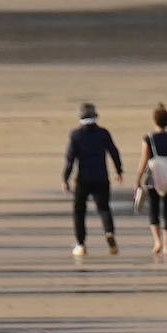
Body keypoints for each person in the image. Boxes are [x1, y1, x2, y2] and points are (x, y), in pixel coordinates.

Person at [62, 102, 122, 257]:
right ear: (95, 116)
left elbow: (70, 159)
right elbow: (113, 152)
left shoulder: (76, 135)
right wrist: (118, 170)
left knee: (79, 212)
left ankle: (81, 244)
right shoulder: (103, 133)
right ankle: (109, 232)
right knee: (104, 208)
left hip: (83, 179)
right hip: (101, 177)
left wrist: (65, 178)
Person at [134, 103, 167, 255]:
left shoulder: (148, 139)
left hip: (153, 178)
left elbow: (144, 159)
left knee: (153, 209)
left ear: (154, 121)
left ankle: (157, 242)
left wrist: (138, 178)